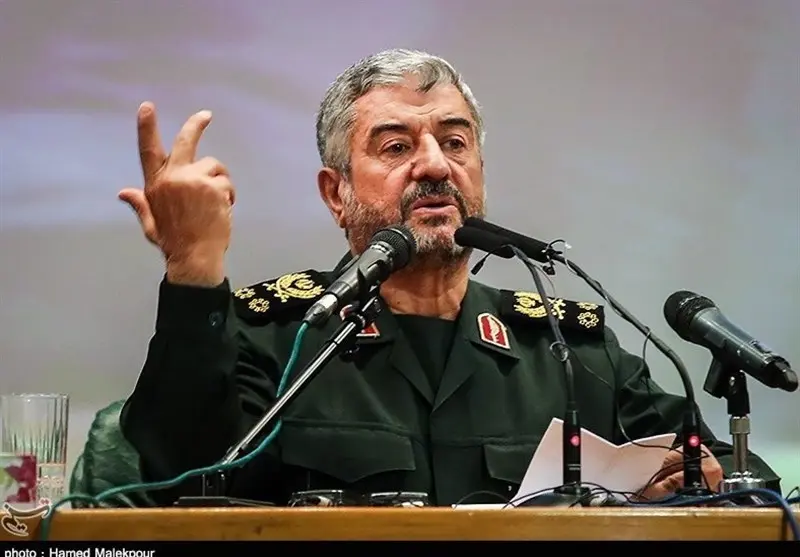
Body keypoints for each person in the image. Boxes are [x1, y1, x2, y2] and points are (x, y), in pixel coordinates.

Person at [117, 48, 779, 507]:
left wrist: (692, 483)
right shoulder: (279, 335)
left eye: (456, 142)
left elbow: (738, 474)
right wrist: (193, 269)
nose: (436, 165)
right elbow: (182, 477)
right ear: (335, 192)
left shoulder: (566, 347)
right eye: (397, 146)